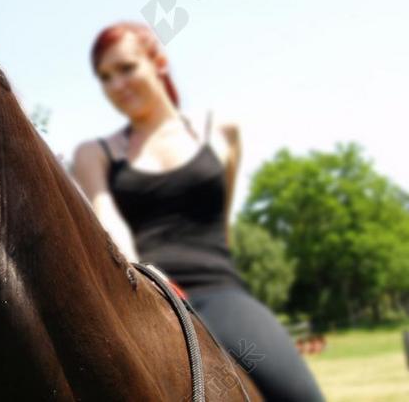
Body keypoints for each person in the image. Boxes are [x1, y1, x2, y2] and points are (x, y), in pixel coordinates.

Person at [71, 21, 324, 402]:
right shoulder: (95, 154)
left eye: (126, 68)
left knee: (301, 396)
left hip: (220, 296)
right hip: (144, 296)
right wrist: (139, 275)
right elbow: (109, 220)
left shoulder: (221, 131)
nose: (117, 85)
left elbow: (221, 223)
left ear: (158, 61)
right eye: (106, 77)